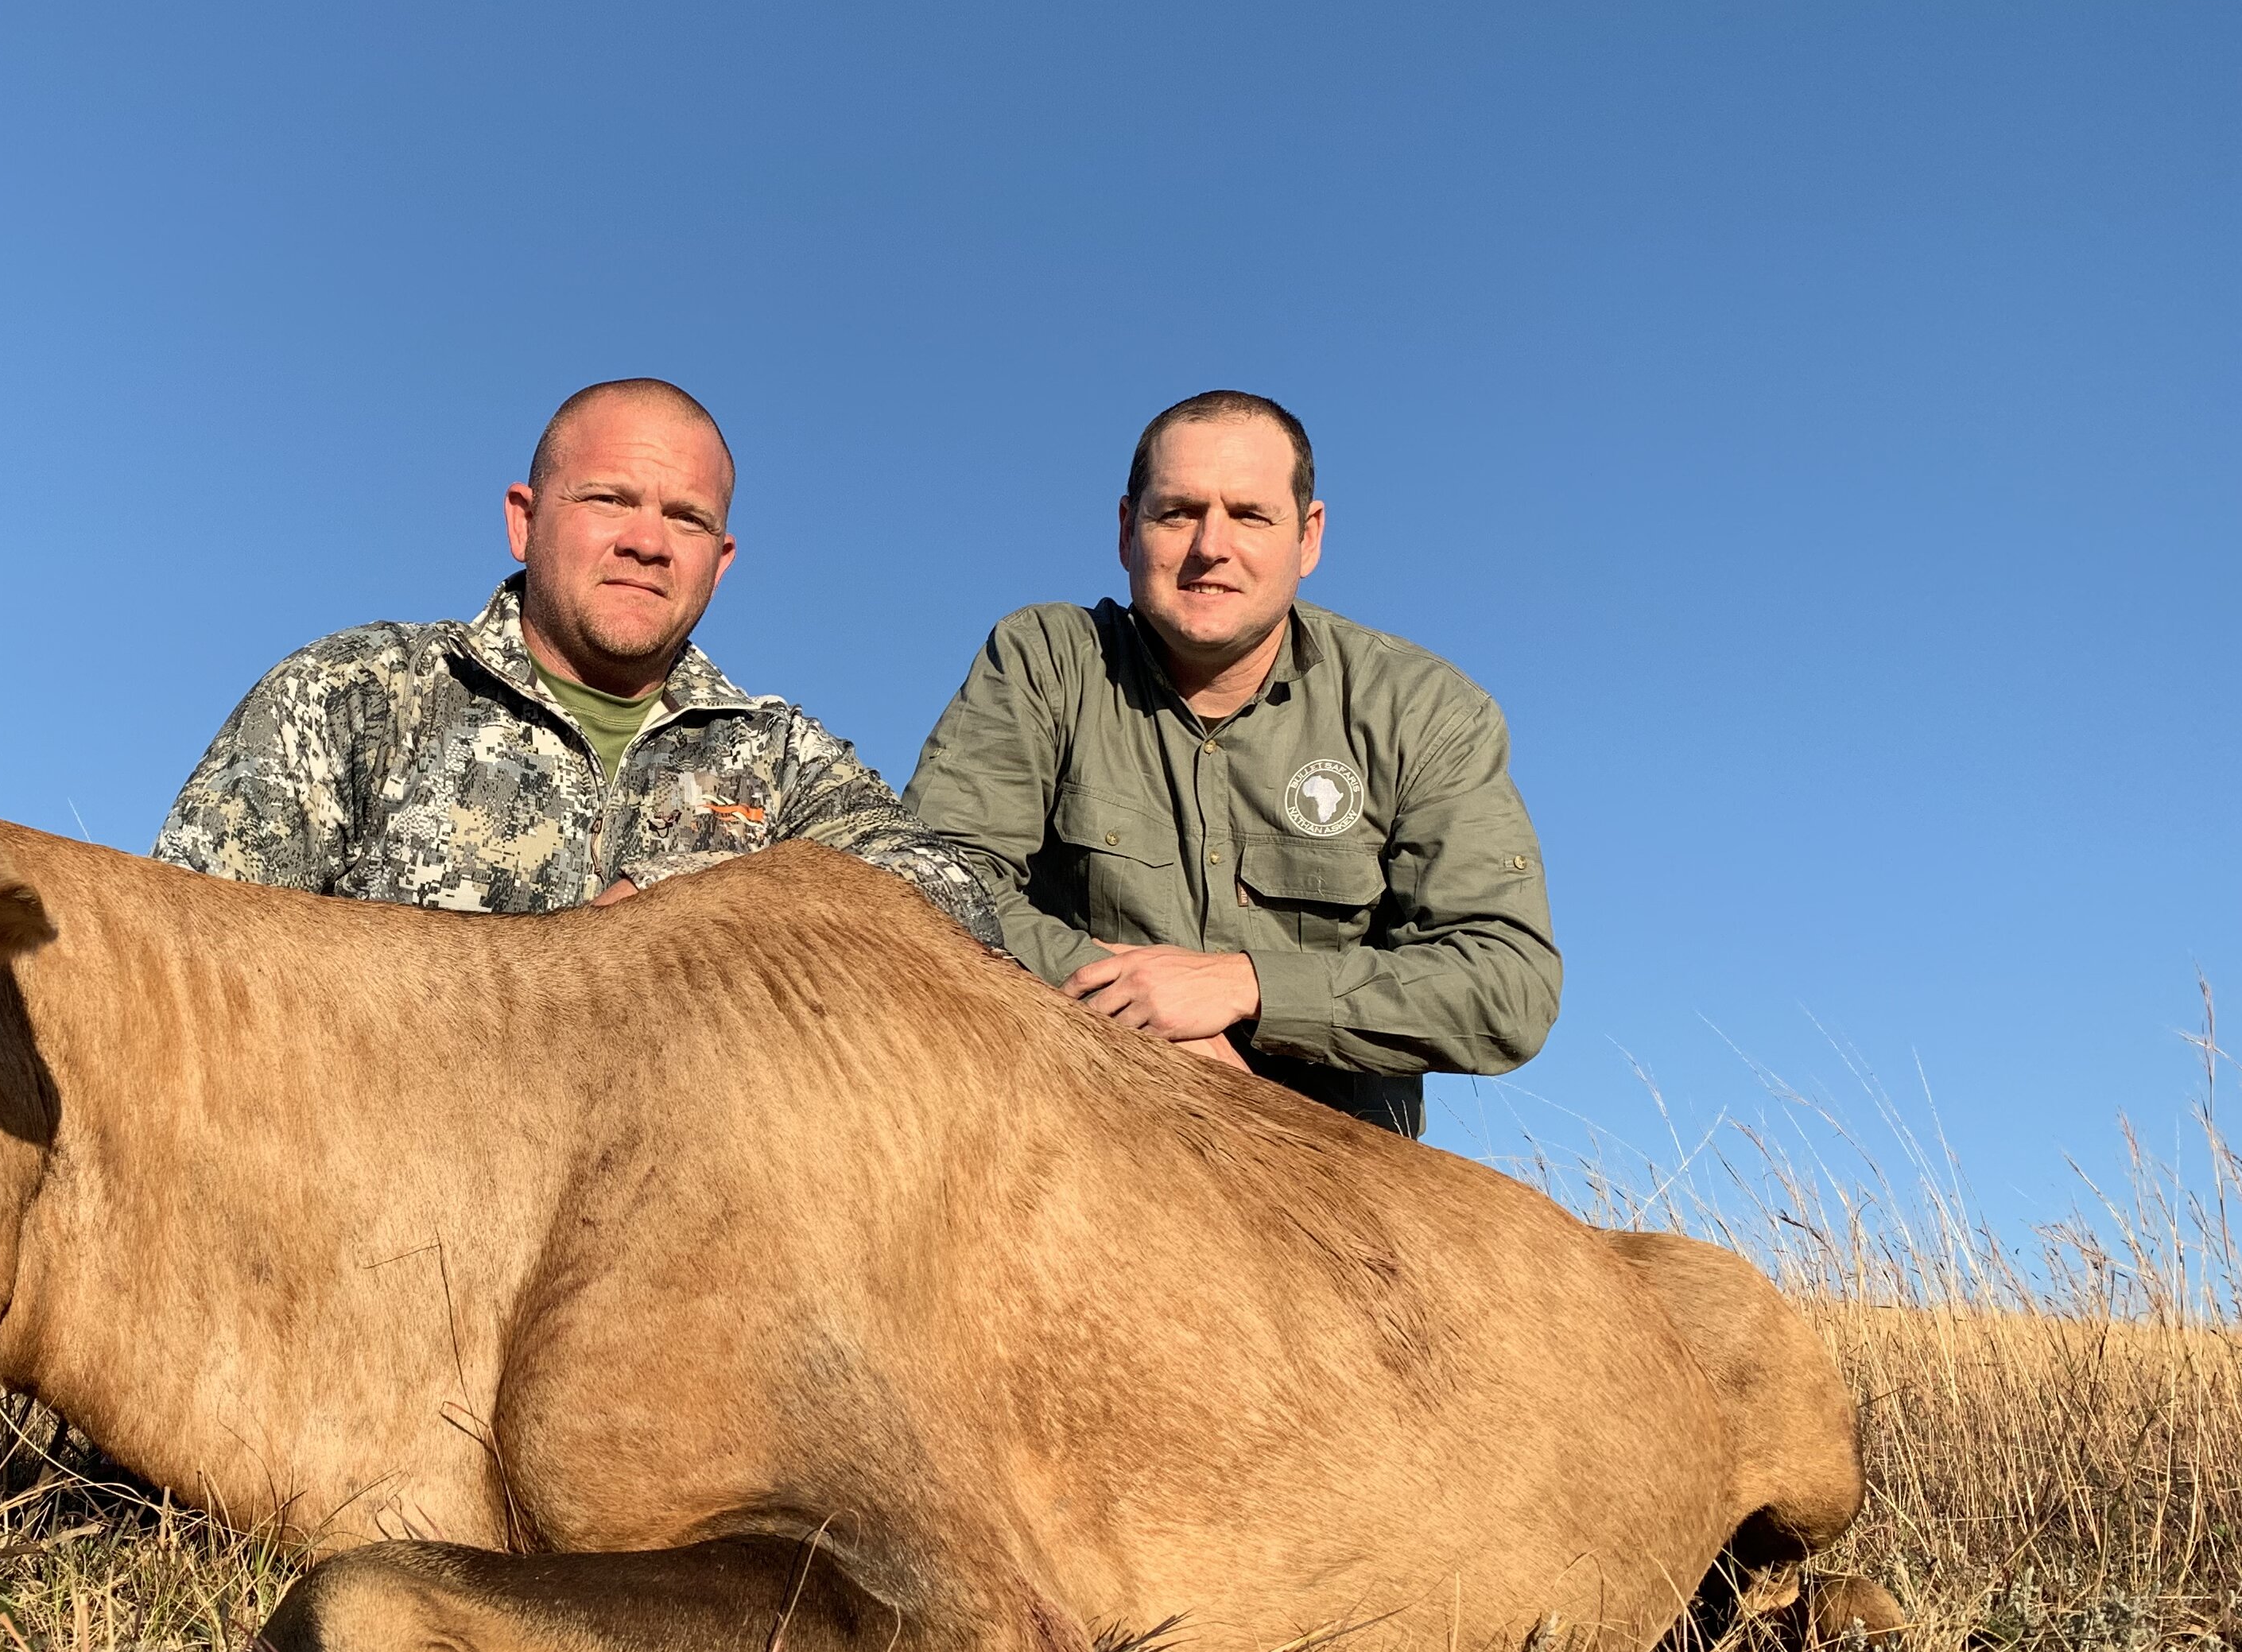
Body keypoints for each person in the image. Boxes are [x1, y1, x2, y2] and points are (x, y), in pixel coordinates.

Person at [904, 389, 1556, 1137]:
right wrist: (1142, 1014)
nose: (1210, 545)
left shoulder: (1425, 712)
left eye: (1250, 515)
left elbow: (1508, 985)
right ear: (1126, 530)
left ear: (1308, 538)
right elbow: (930, 885)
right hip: (1071, 1138)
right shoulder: (1043, 662)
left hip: (1329, 1175)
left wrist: (1247, 986)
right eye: (1178, 512)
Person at [156, 378, 1000, 943]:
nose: (647, 543)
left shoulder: (778, 757)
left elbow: (949, 893)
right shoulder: (355, 697)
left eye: (687, 519)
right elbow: (191, 955)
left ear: (723, 558)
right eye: (609, 500)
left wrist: (680, 894)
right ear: (524, 520)